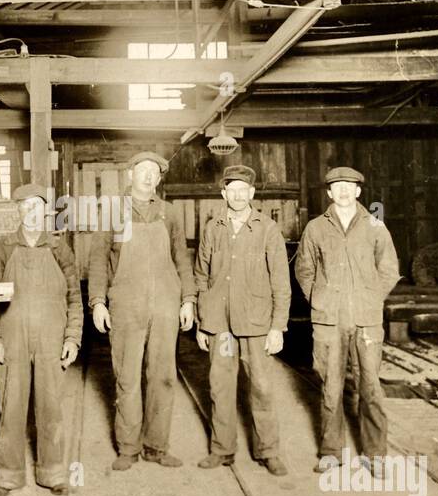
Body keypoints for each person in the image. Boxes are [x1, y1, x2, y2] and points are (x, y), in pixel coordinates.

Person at [88, 151, 195, 470]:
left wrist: (187, 298)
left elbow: (182, 258)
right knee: (127, 376)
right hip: (126, 302)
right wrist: (98, 302)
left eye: (155, 172)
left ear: (160, 179)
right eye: (142, 170)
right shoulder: (112, 212)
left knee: (163, 376)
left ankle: (157, 446)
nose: (149, 177)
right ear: (130, 174)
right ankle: (128, 447)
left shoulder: (170, 213)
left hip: (165, 302)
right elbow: (97, 260)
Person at [293, 166, 400, 475]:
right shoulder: (315, 228)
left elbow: (389, 268)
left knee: (370, 387)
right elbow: (304, 269)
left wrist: (371, 297)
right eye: (337, 185)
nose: (342, 190)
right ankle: (331, 452)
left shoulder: (375, 226)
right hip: (329, 320)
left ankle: (376, 455)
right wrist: (320, 299)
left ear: (358, 191)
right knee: (330, 388)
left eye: (349, 185)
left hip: (366, 320)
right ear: (328, 192)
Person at [0, 184, 83, 496]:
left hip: (51, 338)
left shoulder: (59, 248)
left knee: (51, 407)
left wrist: (72, 339)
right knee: (11, 407)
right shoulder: (3, 248)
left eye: (36, 206)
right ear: (18, 211)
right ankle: (8, 474)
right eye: (25, 207)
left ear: (46, 209)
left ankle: (52, 472)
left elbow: (75, 298)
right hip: (12, 339)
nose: (31, 212)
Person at [194, 164, 292, 475]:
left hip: (256, 324)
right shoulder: (213, 228)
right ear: (224, 194)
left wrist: (278, 326)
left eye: (242, 190)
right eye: (230, 190)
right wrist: (202, 323)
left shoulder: (267, 229)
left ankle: (269, 451)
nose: (236, 195)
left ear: (251, 193)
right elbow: (201, 276)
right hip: (220, 326)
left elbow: (280, 281)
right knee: (220, 387)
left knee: (261, 387)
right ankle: (222, 449)